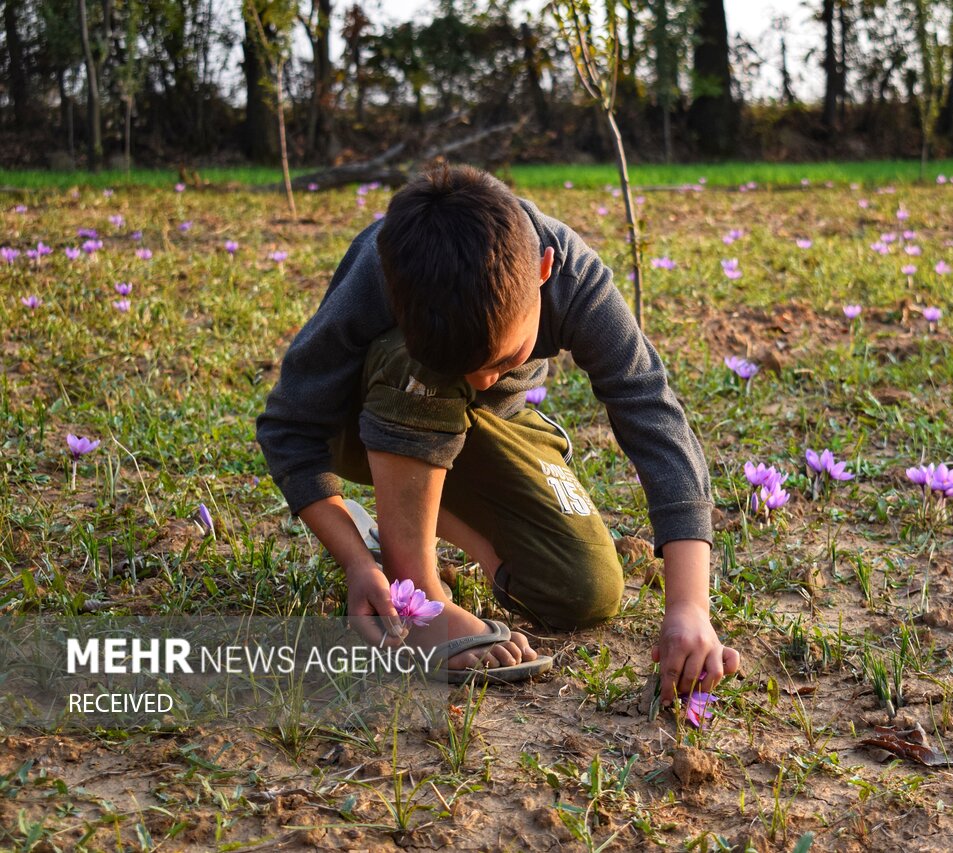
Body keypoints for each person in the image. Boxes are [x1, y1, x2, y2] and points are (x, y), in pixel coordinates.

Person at [256, 163, 740, 703]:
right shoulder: (382, 269)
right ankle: (416, 594)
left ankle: (399, 519)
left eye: (504, 359)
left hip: (497, 426)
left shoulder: (575, 278)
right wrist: (353, 562)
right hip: (373, 420)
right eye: (470, 367)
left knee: (585, 589)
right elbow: (288, 430)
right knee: (425, 371)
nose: (484, 379)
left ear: (543, 269)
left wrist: (690, 607)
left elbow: (650, 408)